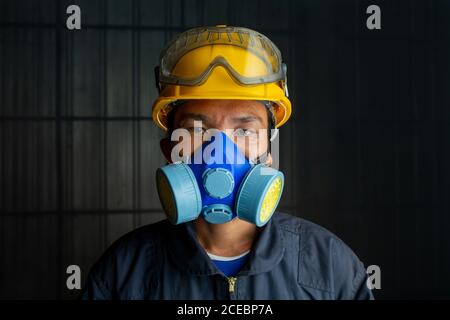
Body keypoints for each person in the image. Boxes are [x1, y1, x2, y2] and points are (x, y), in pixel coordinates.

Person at [80, 25, 374, 300]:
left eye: (245, 130)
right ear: (170, 150)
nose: (219, 150)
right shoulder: (121, 274)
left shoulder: (330, 267)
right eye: (197, 130)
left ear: (269, 151)